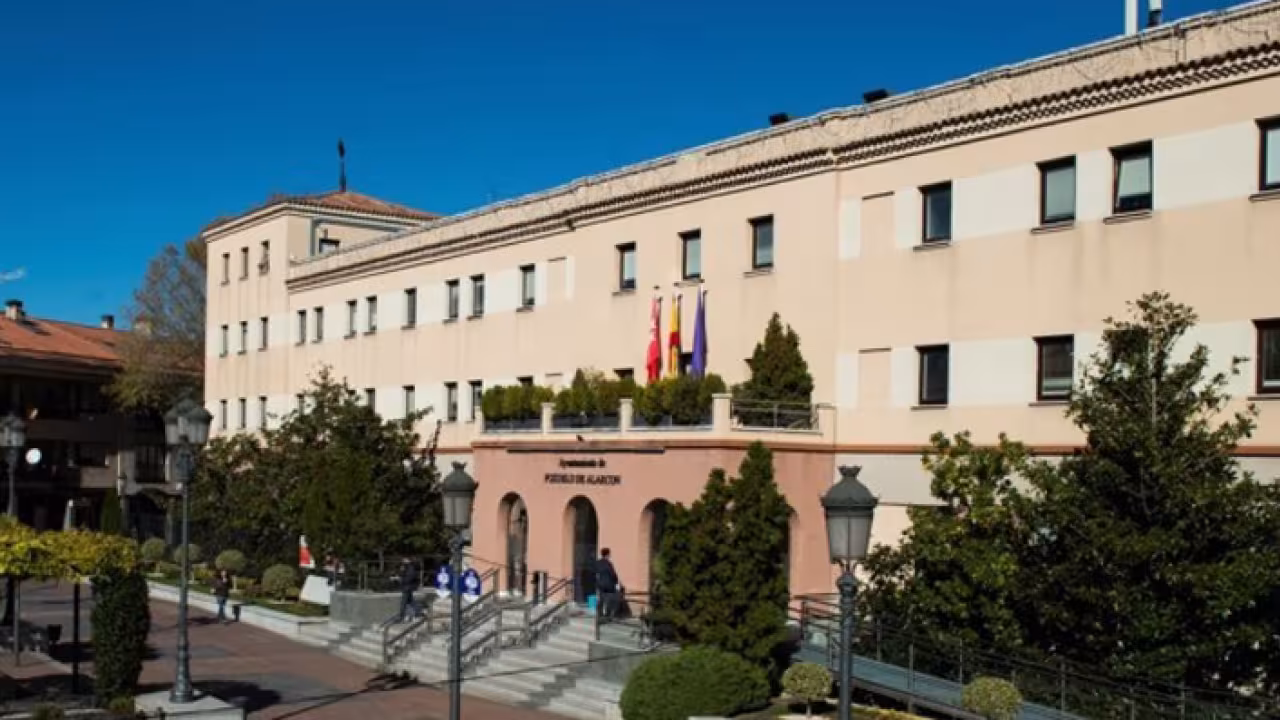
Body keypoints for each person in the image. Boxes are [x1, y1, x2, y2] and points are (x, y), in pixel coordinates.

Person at [595, 548, 622, 622]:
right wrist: (617, 582)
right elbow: (613, 574)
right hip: (609, 585)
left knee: (601, 600)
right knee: (610, 600)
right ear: (607, 554)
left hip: (600, 584)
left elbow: (595, 573)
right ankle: (607, 615)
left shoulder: (597, 563)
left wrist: (597, 583)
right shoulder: (609, 564)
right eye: (609, 554)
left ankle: (600, 615)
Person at [399, 558, 422, 623]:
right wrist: (401, 572)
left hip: (408, 588)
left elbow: (408, 579)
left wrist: (401, 579)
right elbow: (403, 575)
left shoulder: (411, 568)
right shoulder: (406, 567)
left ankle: (402, 616)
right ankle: (418, 612)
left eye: (405, 560)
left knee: (403, 602)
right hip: (406, 587)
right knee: (411, 601)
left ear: (408, 560)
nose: (403, 561)